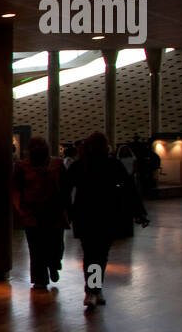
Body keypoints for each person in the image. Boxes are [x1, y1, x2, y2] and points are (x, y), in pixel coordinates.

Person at [63, 132, 149, 308]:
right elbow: (129, 190)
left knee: (91, 254)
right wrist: (139, 212)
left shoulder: (80, 165)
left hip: (85, 216)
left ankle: (93, 290)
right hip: (107, 216)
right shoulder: (113, 165)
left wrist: (68, 212)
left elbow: (65, 191)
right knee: (100, 255)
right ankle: (94, 289)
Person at [12, 137, 68, 290]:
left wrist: (67, 208)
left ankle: (54, 263)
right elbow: (16, 188)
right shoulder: (21, 166)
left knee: (56, 245)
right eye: (34, 145)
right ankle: (40, 279)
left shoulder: (58, 165)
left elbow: (65, 188)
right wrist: (19, 209)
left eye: (40, 144)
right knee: (36, 247)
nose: (37, 148)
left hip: (54, 212)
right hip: (32, 213)